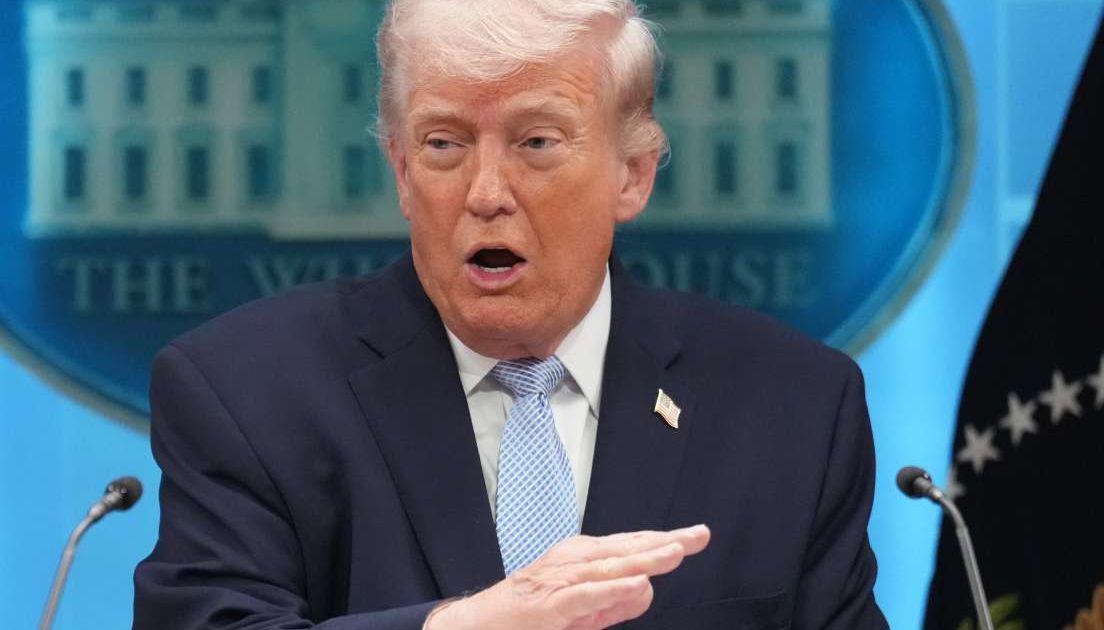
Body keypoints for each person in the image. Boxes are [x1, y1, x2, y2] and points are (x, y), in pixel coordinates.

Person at [133, 1, 889, 628]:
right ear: (400, 171)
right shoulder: (245, 392)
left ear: (634, 174)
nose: (486, 191)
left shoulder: (793, 407)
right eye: (443, 143)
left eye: (536, 142)